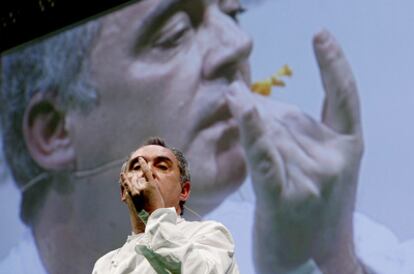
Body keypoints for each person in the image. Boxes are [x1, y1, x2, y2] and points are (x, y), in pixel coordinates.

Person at [1, 0, 410, 273]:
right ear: (54, 131)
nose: (239, 44)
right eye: (174, 33)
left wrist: (327, 260)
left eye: (231, 14)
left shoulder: (339, 241)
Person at [92, 137, 239, 273]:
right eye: (137, 167)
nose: (147, 171)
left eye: (162, 166)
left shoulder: (211, 234)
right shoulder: (104, 265)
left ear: (184, 190)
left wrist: (155, 213)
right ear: (124, 190)